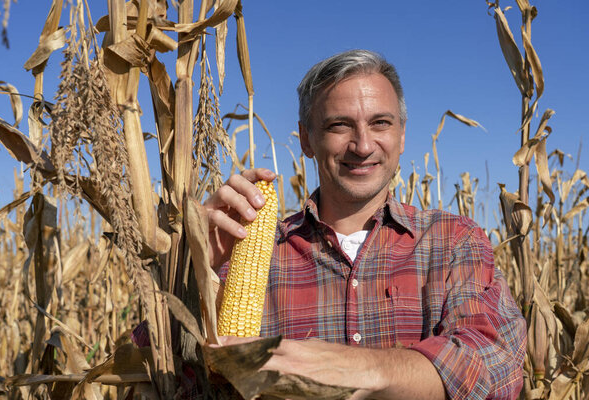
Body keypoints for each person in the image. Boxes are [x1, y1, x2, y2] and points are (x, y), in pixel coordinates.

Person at [205, 49, 526, 400]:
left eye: (380, 123)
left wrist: (363, 369)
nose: (362, 145)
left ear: (402, 136)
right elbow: (163, 370)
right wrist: (190, 266)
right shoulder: (244, 253)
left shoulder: (452, 242)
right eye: (339, 125)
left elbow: (496, 367)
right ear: (307, 139)